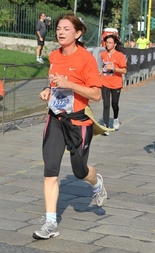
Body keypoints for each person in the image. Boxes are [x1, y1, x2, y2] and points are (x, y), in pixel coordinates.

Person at [34, 13, 107, 239]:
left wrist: (70, 84)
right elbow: (55, 84)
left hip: (78, 121)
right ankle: (50, 222)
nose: (60, 32)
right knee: (50, 171)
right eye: (58, 28)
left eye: (66, 28)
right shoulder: (54, 55)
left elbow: (96, 94)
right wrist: (49, 91)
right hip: (55, 118)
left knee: (79, 170)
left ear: (78, 33)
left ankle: (97, 183)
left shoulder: (85, 58)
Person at [100, 34, 127, 135]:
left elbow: (124, 70)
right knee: (106, 104)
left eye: (110, 42)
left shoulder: (119, 56)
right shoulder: (103, 54)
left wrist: (114, 69)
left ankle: (115, 119)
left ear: (115, 44)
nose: (108, 44)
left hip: (116, 83)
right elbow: (103, 66)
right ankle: (106, 126)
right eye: (107, 42)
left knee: (114, 104)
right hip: (105, 82)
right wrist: (100, 71)